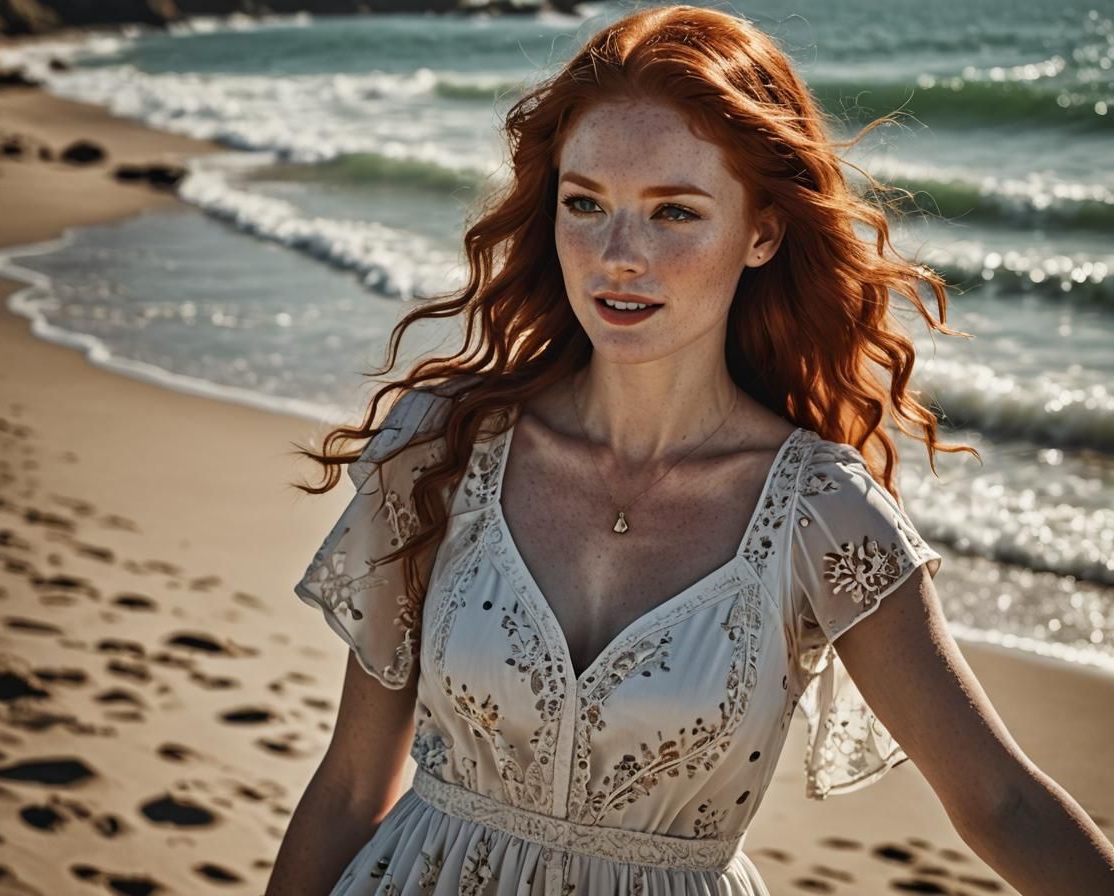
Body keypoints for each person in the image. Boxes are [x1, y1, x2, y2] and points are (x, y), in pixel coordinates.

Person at [267, 6, 1114, 894]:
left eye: (674, 212)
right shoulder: (443, 447)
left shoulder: (819, 514)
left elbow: (1002, 803)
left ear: (762, 232)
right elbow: (352, 786)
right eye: (585, 203)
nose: (617, 256)